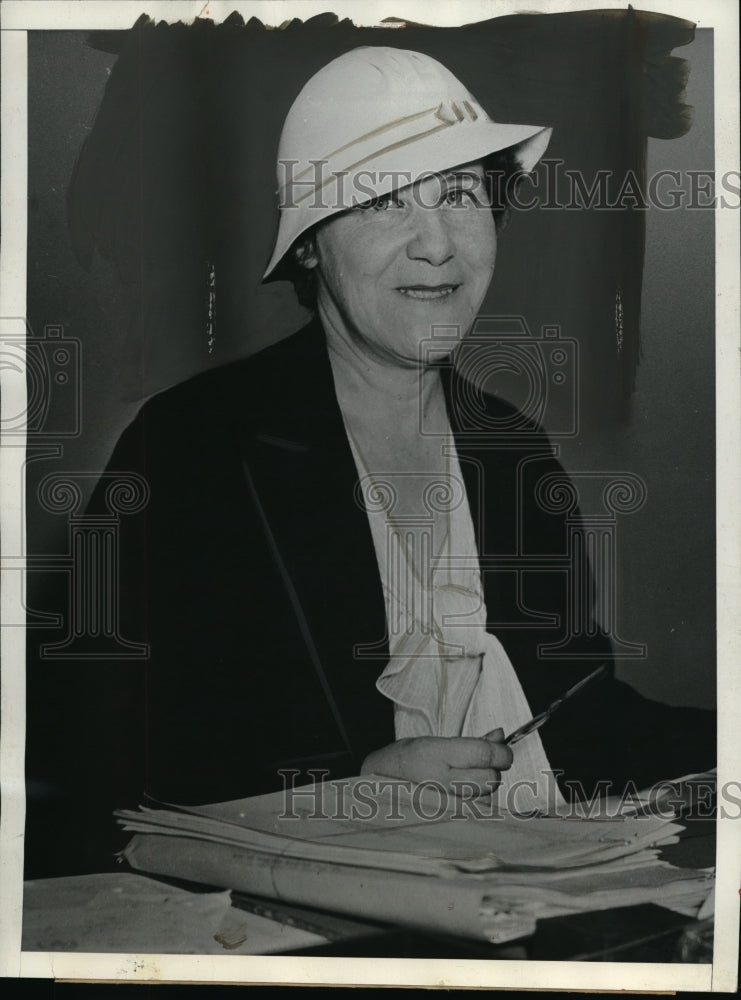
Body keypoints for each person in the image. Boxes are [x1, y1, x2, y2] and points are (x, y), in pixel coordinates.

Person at [25, 46, 714, 876]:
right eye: (383, 201)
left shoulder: (514, 451)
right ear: (308, 246)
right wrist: (348, 786)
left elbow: (581, 716)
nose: (436, 246)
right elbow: (95, 758)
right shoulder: (189, 447)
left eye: (459, 194)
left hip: (525, 891)